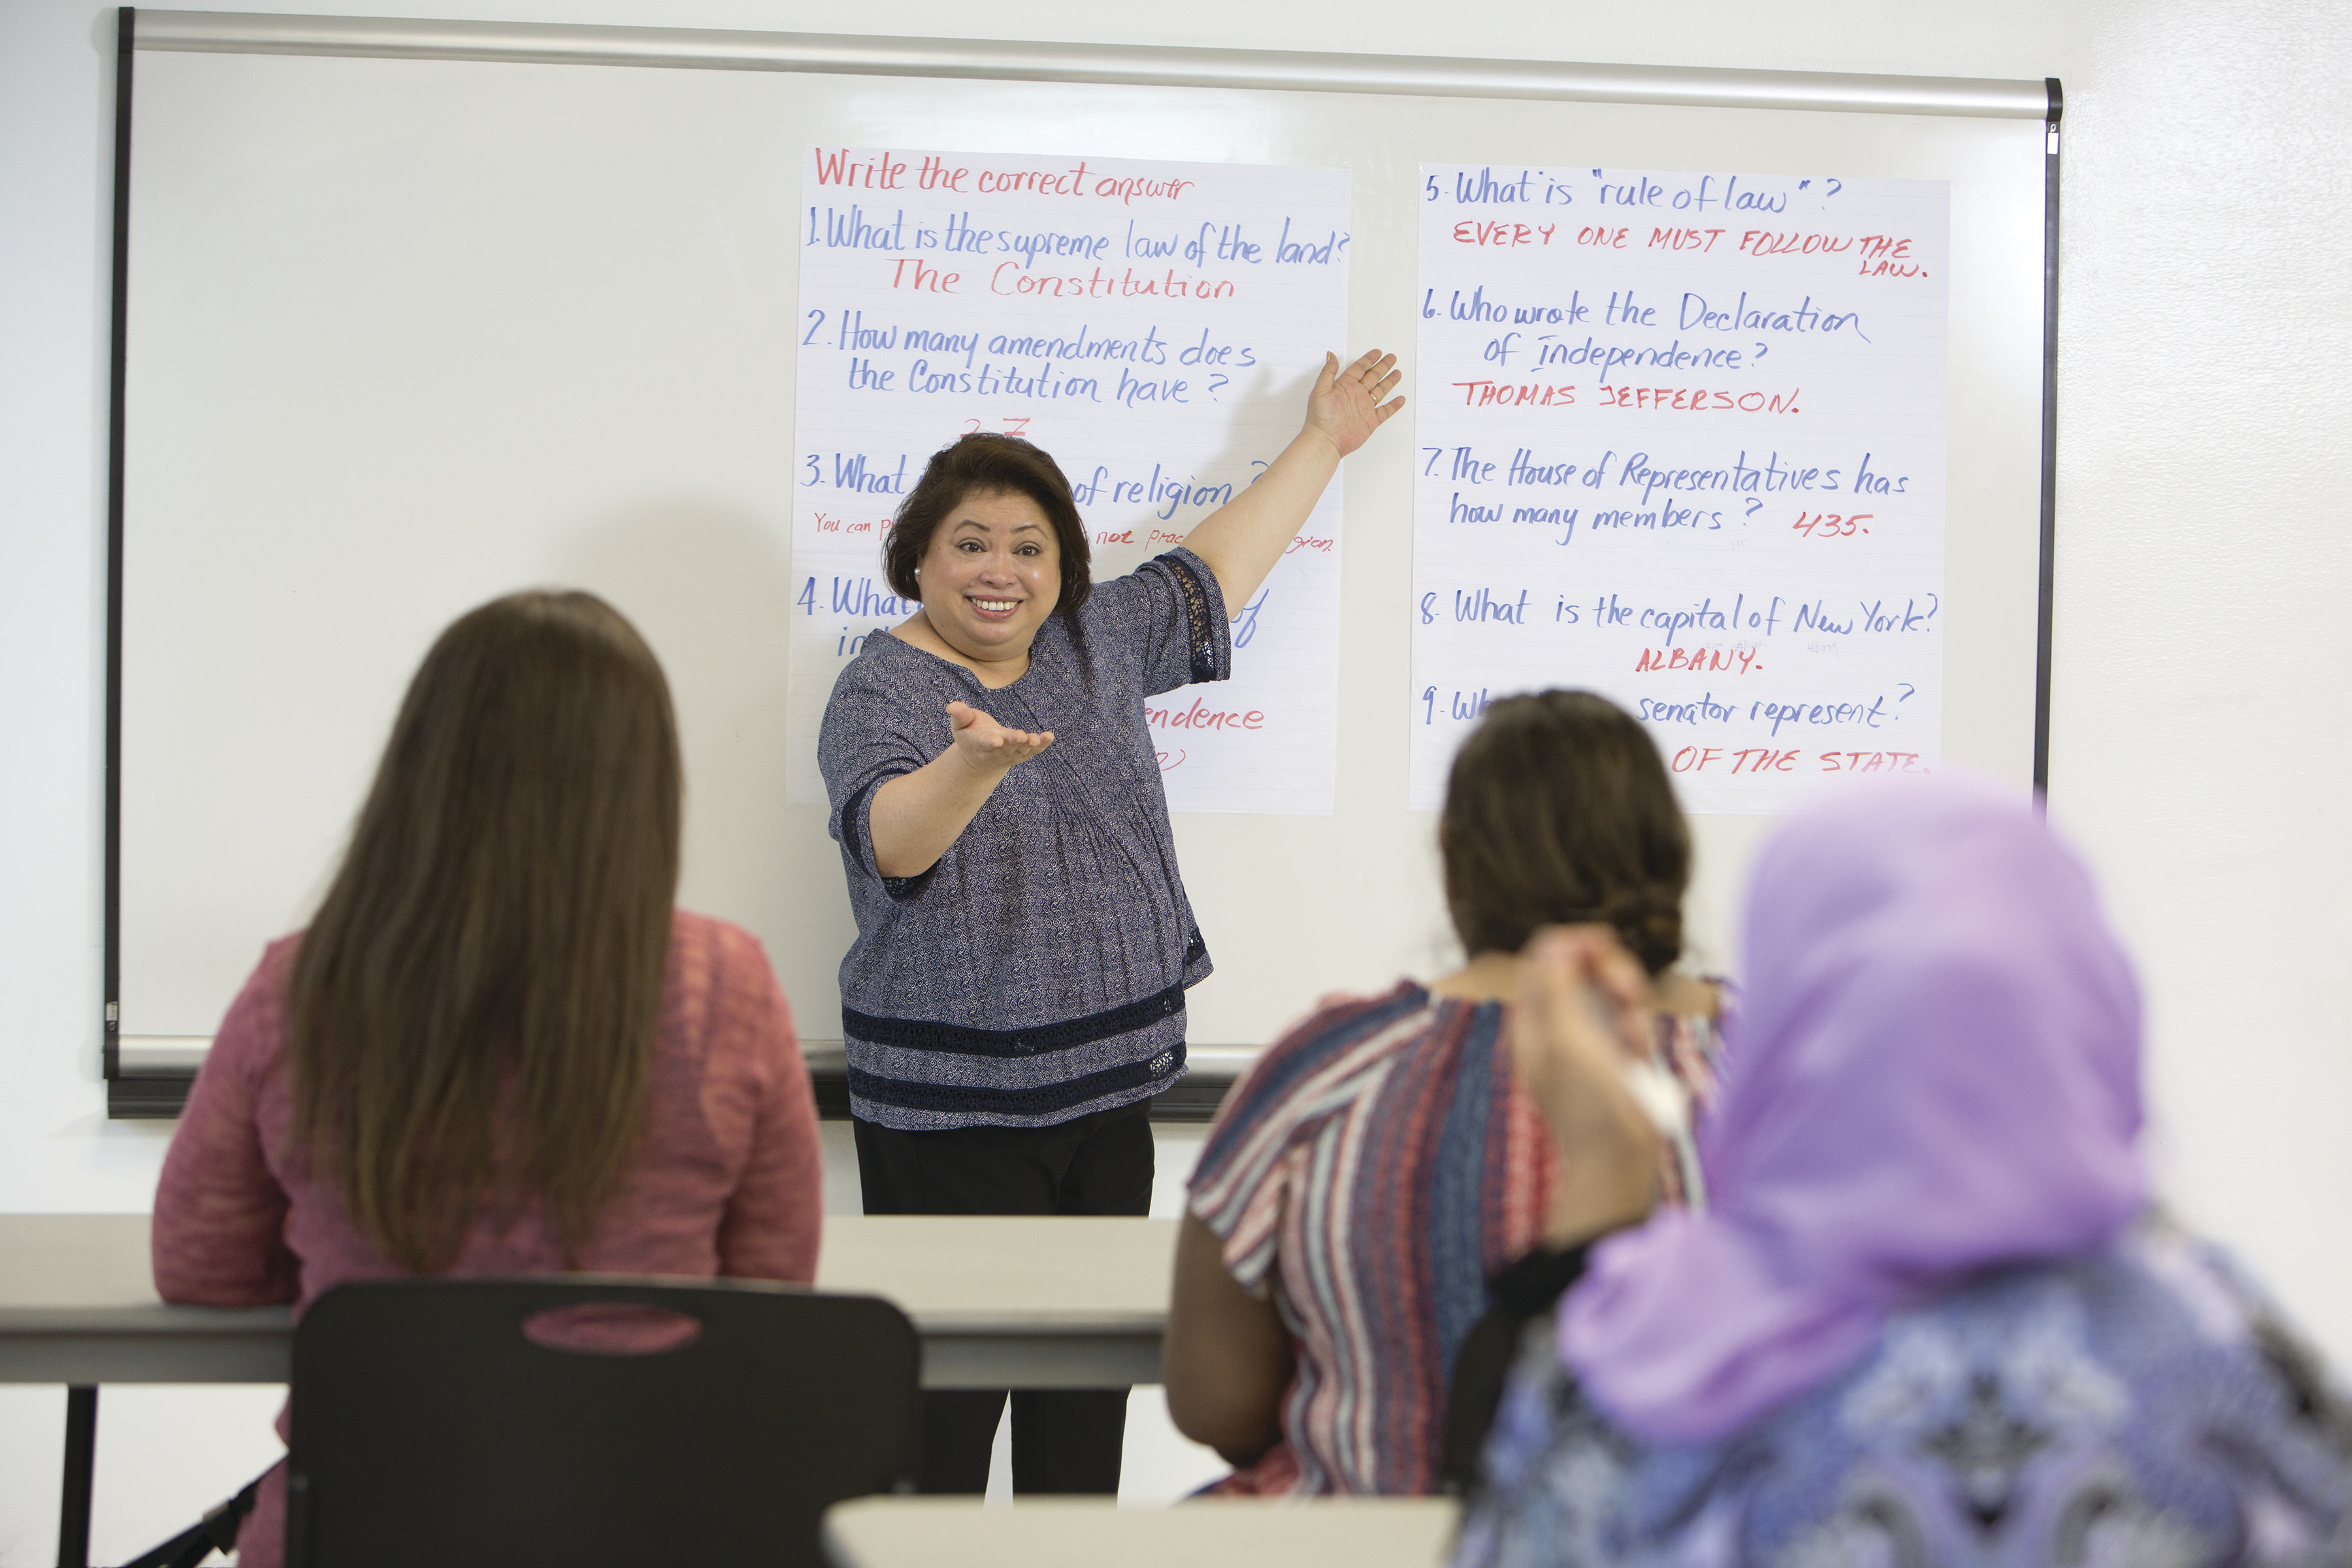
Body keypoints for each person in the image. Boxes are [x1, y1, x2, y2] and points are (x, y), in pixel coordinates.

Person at [1458, 774, 2352, 1567]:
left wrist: (1608, 1165)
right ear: (2089, 1008)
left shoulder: (1629, 1378)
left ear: (1785, 1026)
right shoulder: (2232, 1360)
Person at [817, 349, 1402, 1495]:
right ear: (917, 561)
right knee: (945, 1432)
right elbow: (889, 838)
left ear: (1064, 570)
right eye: (971, 544)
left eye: (1029, 548)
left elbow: (1220, 563)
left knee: (1082, 1421)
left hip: (1109, 1098)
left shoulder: (1094, 640)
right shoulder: (879, 690)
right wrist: (970, 768)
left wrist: (1325, 439)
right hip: (956, 1126)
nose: (1001, 571)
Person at [152, 591, 823, 1568]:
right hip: (644, 1530)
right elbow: (769, 1290)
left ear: (421, 770)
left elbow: (200, 1265)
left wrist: (347, 1260)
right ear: (643, 785)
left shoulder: (304, 987)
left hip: (364, 1529)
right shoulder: (729, 987)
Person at [1162, 691, 1722, 1497]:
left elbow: (1217, 1405)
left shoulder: (1328, 1067)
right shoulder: (1768, 1074)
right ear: (1672, 857)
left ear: (1455, 861)